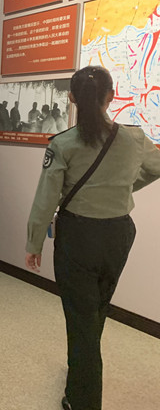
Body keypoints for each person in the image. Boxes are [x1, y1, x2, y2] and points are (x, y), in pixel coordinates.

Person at [25, 66, 160, 410]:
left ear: (71, 98)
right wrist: (124, 188)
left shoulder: (63, 144)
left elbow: (46, 199)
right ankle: (80, 372)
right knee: (96, 309)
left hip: (78, 237)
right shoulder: (134, 138)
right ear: (110, 96)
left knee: (81, 317)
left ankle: (83, 399)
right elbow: (156, 167)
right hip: (118, 234)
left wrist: (34, 243)